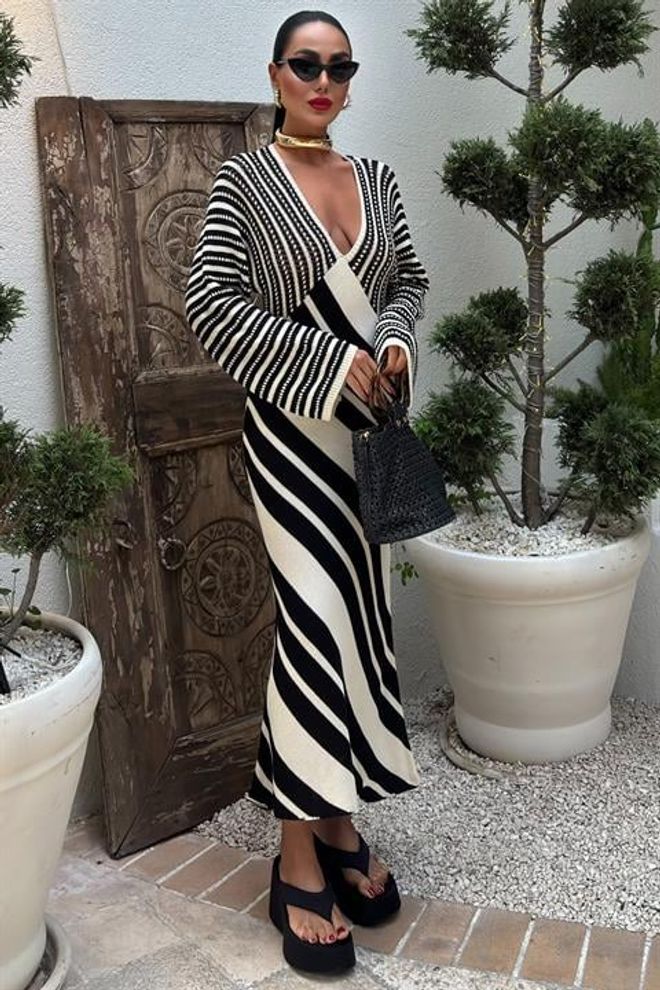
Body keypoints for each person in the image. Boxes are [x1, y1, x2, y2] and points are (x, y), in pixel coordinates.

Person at [185, 9, 430, 974]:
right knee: (313, 624)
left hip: (365, 439)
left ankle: (336, 822)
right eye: (305, 64)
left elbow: (407, 279)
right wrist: (328, 361)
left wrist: (395, 341)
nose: (323, 81)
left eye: (339, 67)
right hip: (291, 438)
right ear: (276, 74)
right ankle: (295, 854)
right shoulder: (244, 182)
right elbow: (211, 304)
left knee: (357, 622)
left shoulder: (377, 179)